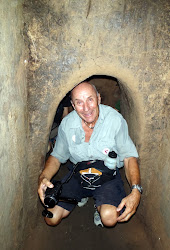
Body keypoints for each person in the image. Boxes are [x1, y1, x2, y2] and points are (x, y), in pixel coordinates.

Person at [38, 81, 142, 227]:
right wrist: (44, 177)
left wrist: (136, 190)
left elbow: (129, 157)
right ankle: (82, 193)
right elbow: (56, 157)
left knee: (109, 218)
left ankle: (99, 205)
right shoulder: (67, 124)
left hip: (108, 174)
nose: (86, 108)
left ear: (99, 98)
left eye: (90, 99)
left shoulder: (114, 120)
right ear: (73, 106)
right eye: (79, 102)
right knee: (51, 217)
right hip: (78, 172)